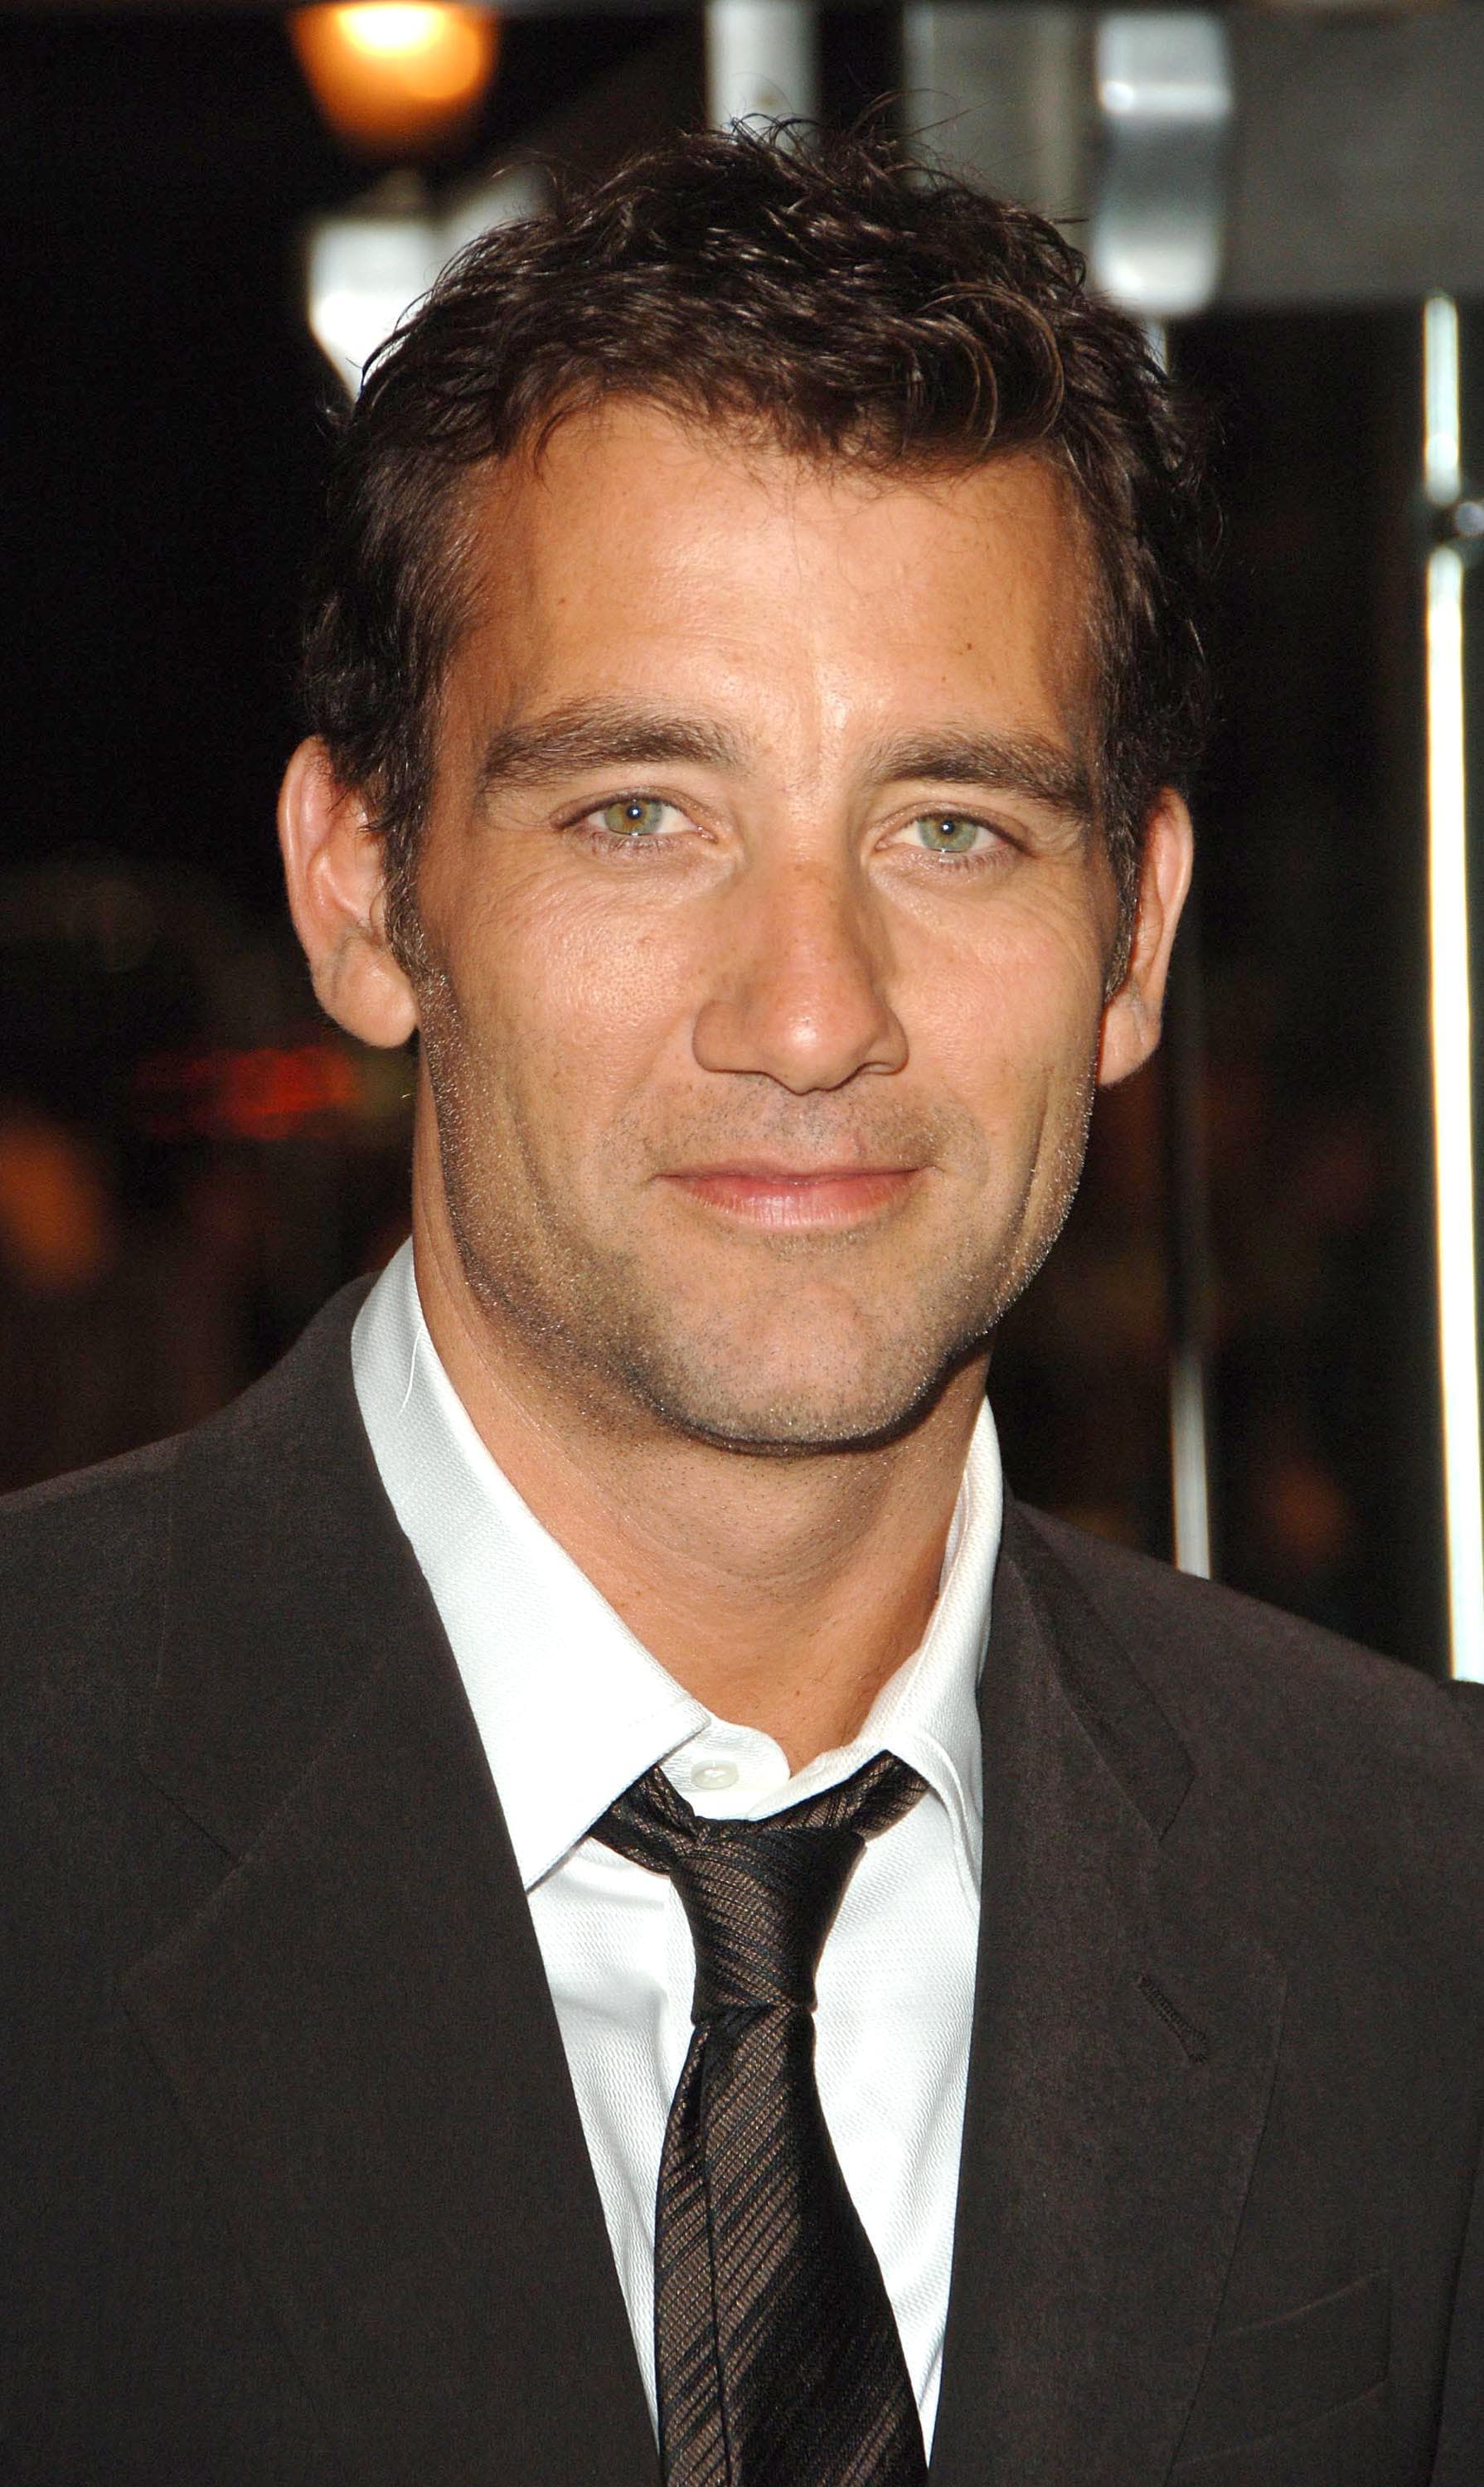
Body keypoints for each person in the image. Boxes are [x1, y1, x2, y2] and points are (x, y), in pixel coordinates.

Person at [4, 125, 1482, 2487]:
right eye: (641, 815)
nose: (811, 1014)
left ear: (1135, 937)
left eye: (951, 829)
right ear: (364, 890)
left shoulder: (1425, 1917)